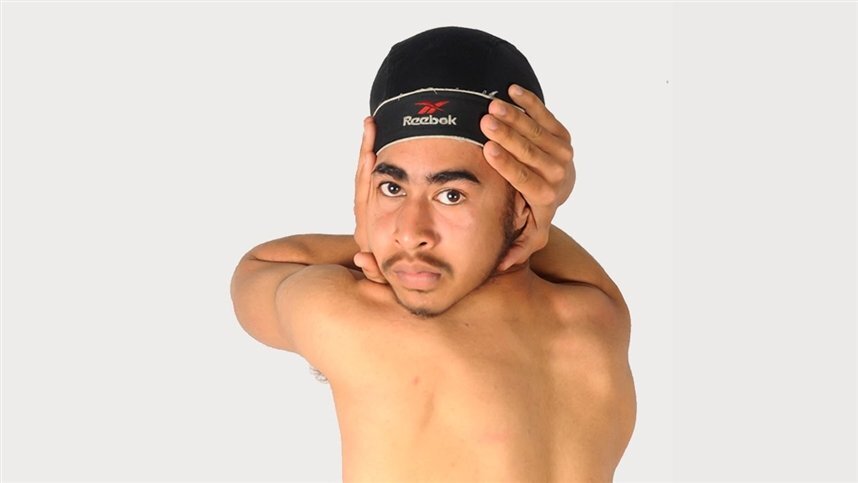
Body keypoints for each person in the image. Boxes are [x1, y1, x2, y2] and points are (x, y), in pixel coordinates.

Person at [230, 26, 635, 482]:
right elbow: (526, 236)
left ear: (521, 202)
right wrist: (542, 201)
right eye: (392, 188)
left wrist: (372, 236)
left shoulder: (357, 321)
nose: (410, 234)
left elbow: (257, 269)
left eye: (451, 196)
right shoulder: (598, 316)